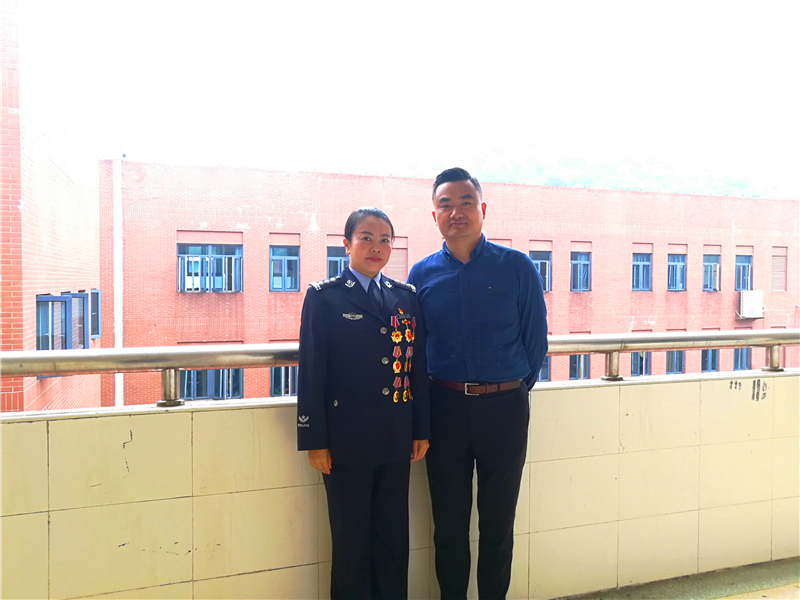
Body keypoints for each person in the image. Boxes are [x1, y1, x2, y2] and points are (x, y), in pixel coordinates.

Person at [407, 168, 548, 600]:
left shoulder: (517, 267)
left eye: (466, 202)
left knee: (498, 523)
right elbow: (416, 349)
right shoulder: (421, 274)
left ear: (482, 209)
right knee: (448, 526)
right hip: (444, 409)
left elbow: (535, 341)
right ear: (434, 215)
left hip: (504, 409)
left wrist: (508, 389)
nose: (457, 212)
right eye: (445, 204)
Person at [297, 207, 430, 600]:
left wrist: (420, 429)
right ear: (347, 244)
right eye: (366, 238)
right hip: (345, 441)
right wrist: (315, 440)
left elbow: (416, 367)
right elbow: (312, 371)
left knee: (393, 539)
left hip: (395, 437)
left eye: (385, 240)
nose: (376, 247)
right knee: (351, 542)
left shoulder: (405, 297)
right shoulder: (324, 297)